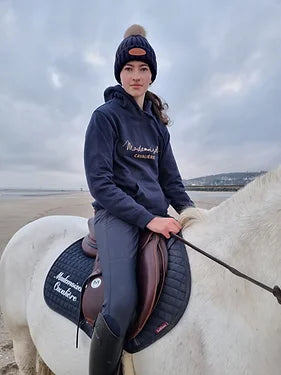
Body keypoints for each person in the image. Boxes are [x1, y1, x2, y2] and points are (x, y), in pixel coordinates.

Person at [84, 24, 195, 375]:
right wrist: (150, 220)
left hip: (156, 214)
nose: (136, 76)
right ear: (119, 72)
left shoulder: (158, 127)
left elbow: (171, 182)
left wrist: (193, 214)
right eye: (129, 69)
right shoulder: (105, 118)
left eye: (144, 69)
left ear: (152, 74)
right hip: (115, 216)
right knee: (121, 303)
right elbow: (100, 184)